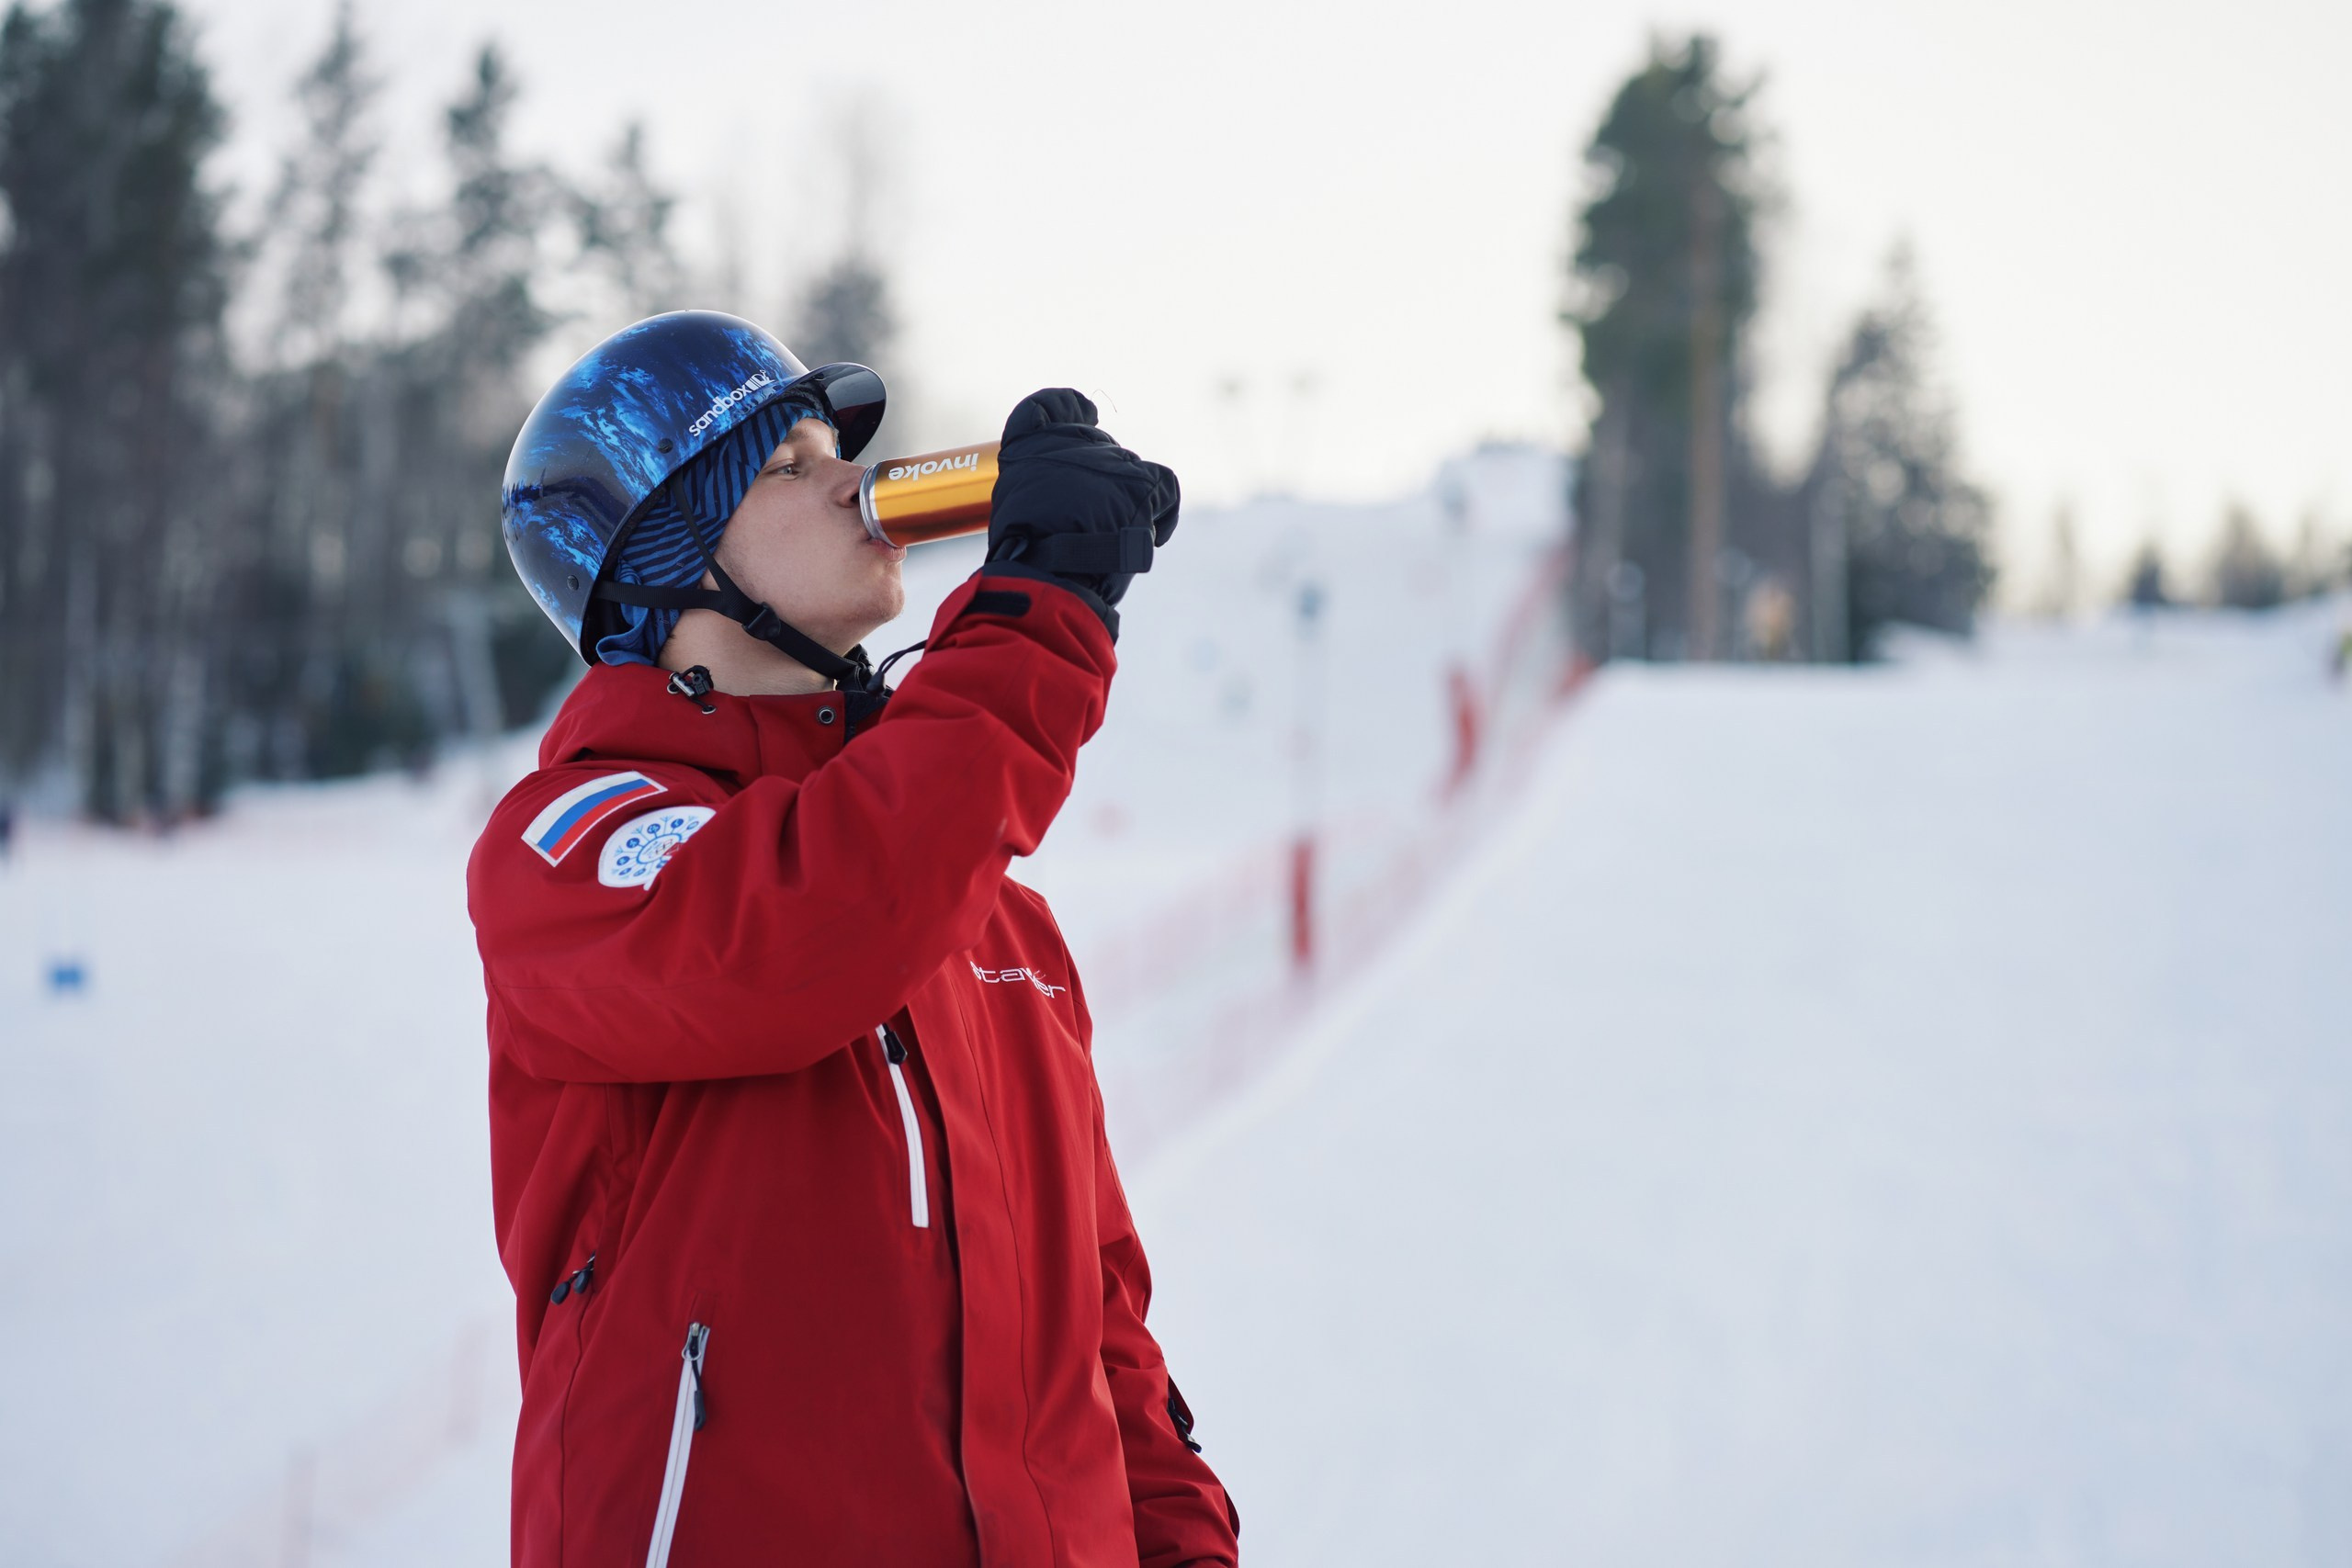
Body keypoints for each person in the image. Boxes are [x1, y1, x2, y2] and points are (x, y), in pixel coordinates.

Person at [469, 311, 1238, 1568]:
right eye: (783, 466)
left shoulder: (996, 918)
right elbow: (802, 929)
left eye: (837, 449)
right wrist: (1037, 620)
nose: (849, 479)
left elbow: (1100, 1331)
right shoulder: (568, 846)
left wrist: (1183, 1544)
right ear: (663, 566)